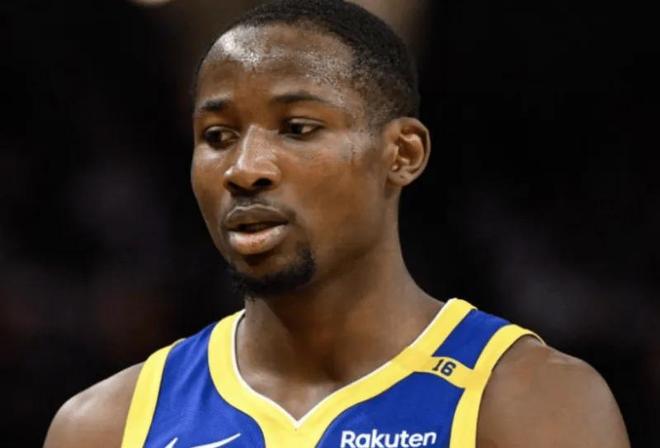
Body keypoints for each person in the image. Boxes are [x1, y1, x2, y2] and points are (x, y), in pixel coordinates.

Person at [44, 0, 630, 446]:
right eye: (217, 136)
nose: (245, 169)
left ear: (402, 154)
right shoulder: (105, 425)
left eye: (298, 129)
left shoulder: (530, 402)